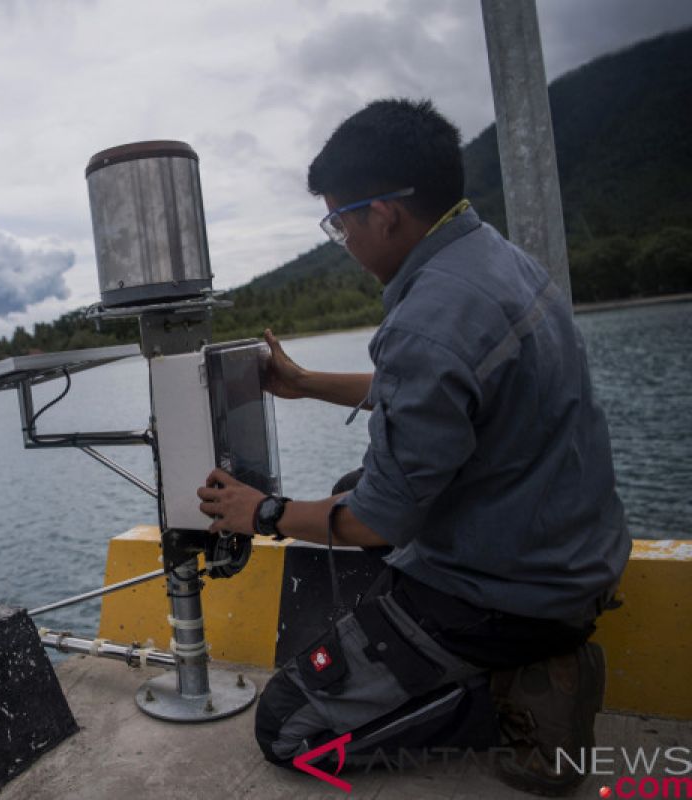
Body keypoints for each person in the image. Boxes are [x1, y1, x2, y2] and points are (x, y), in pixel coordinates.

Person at [195, 98, 630, 795]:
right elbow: (441, 389)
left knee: (287, 731)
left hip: (512, 592)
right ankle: (503, 655)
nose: (344, 237)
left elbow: (378, 519)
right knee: (350, 481)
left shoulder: (427, 317)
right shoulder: (492, 260)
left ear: (384, 214)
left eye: (339, 222)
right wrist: (306, 384)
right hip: (566, 552)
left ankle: (523, 696)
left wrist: (263, 513)